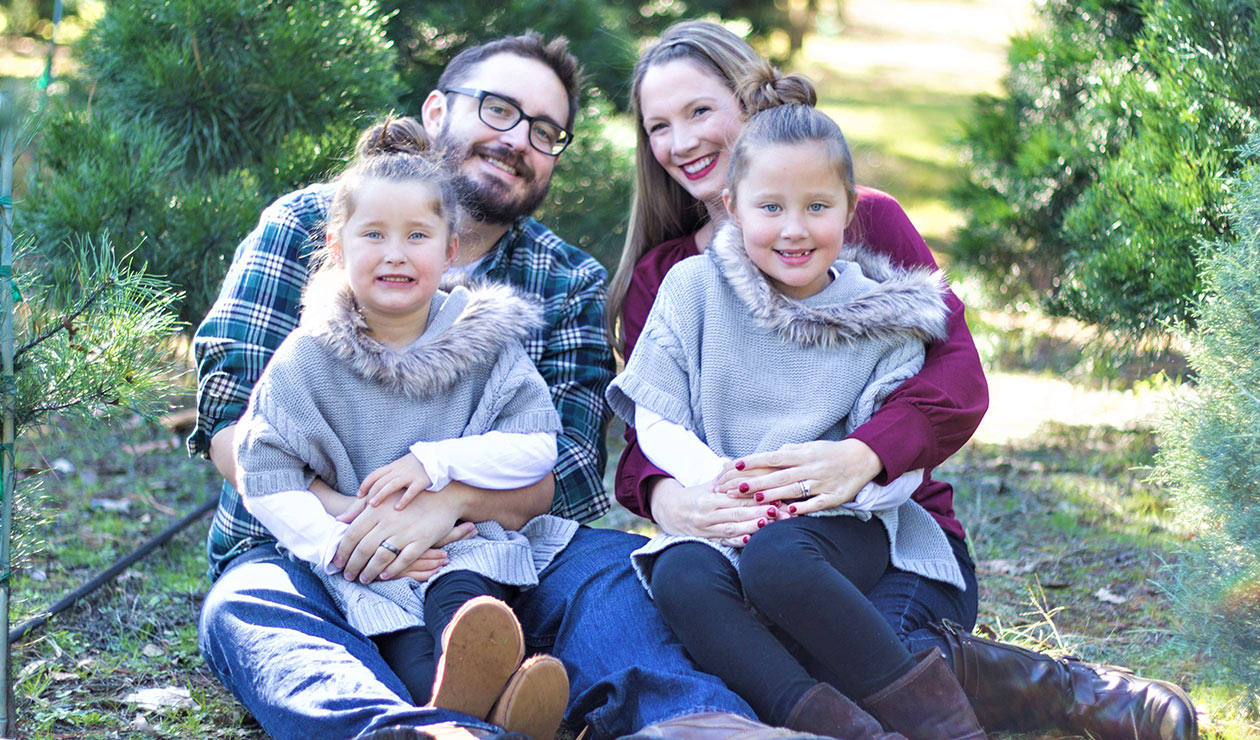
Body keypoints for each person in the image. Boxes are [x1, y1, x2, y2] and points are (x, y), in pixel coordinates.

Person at [191, 31, 834, 740]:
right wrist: (351, 520)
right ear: (437, 111)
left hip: (496, 557)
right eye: (497, 109)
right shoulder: (312, 225)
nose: (516, 140)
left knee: (619, 570)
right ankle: (410, 730)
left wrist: (448, 503)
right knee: (245, 608)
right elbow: (230, 411)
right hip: (303, 552)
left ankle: (693, 722)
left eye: (545, 131)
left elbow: (562, 470)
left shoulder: (566, 281)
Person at [607, 19, 1197, 740]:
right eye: (658, 124)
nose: (681, 140)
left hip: (874, 534)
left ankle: (1066, 691)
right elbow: (648, 427)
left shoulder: (859, 226)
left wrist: (861, 457)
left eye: (699, 110)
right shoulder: (668, 279)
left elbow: (956, 379)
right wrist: (679, 501)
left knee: (863, 653)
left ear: (748, 100)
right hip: (737, 539)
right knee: (761, 660)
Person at [608, 67, 986, 740]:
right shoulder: (685, 285)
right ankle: (835, 727)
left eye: (817, 208)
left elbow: (922, 416)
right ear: (736, 203)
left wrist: (856, 466)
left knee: (782, 567)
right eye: (659, 125)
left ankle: (954, 718)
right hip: (727, 516)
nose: (793, 229)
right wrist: (701, 487)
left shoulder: (879, 304)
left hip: (843, 525)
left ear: (849, 210)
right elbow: (653, 411)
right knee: (680, 575)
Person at [230, 116, 575, 739]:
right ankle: (483, 718)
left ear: (449, 251)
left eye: (417, 235)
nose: (395, 253)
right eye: (374, 235)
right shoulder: (309, 356)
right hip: (360, 568)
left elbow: (534, 448)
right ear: (337, 248)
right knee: (402, 642)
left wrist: (435, 463)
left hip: (458, 550)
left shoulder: (485, 343)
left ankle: (477, 696)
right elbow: (266, 475)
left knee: (466, 605)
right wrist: (343, 549)